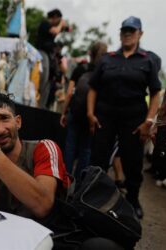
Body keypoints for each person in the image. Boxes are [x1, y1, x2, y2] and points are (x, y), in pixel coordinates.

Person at [0, 93, 124, 249]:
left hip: (58, 237)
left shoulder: (44, 148)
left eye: (4, 118)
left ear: (18, 122)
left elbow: (43, 204)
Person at [87, 16, 162, 219]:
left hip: (134, 119)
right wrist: (90, 114)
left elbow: (155, 92)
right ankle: (95, 198)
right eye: (124, 31)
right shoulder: (107, 58)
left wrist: (149, 121)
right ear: (120, 34)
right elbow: (93, 88)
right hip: (105, 116)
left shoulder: (148, 60)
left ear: (140, 34)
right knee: (98, 158)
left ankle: (133, 200)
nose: (127, 34)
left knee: (132, 161)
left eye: (132, 30)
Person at [60, 42, 108, 179]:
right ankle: (79, 184)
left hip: (75, 114)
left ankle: (65, 180)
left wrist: (64, 112)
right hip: (91, 118)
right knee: (86, 150)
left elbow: (69, 93)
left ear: (89, 53)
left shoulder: (80, 69)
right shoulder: (104, 73)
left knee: (69, 148)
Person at [36, 9, 70, 109]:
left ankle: (41, 107)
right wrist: (60, 25)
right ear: (54, 17)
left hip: (49, 55)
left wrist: (65, 27)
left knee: (48, 81)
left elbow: (68, 29)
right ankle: (37, 98)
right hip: (41, 53)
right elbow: (55, 31)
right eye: (58, 20)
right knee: (44, 77)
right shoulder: (45, 23)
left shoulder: (54, 27)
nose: (59, 23)